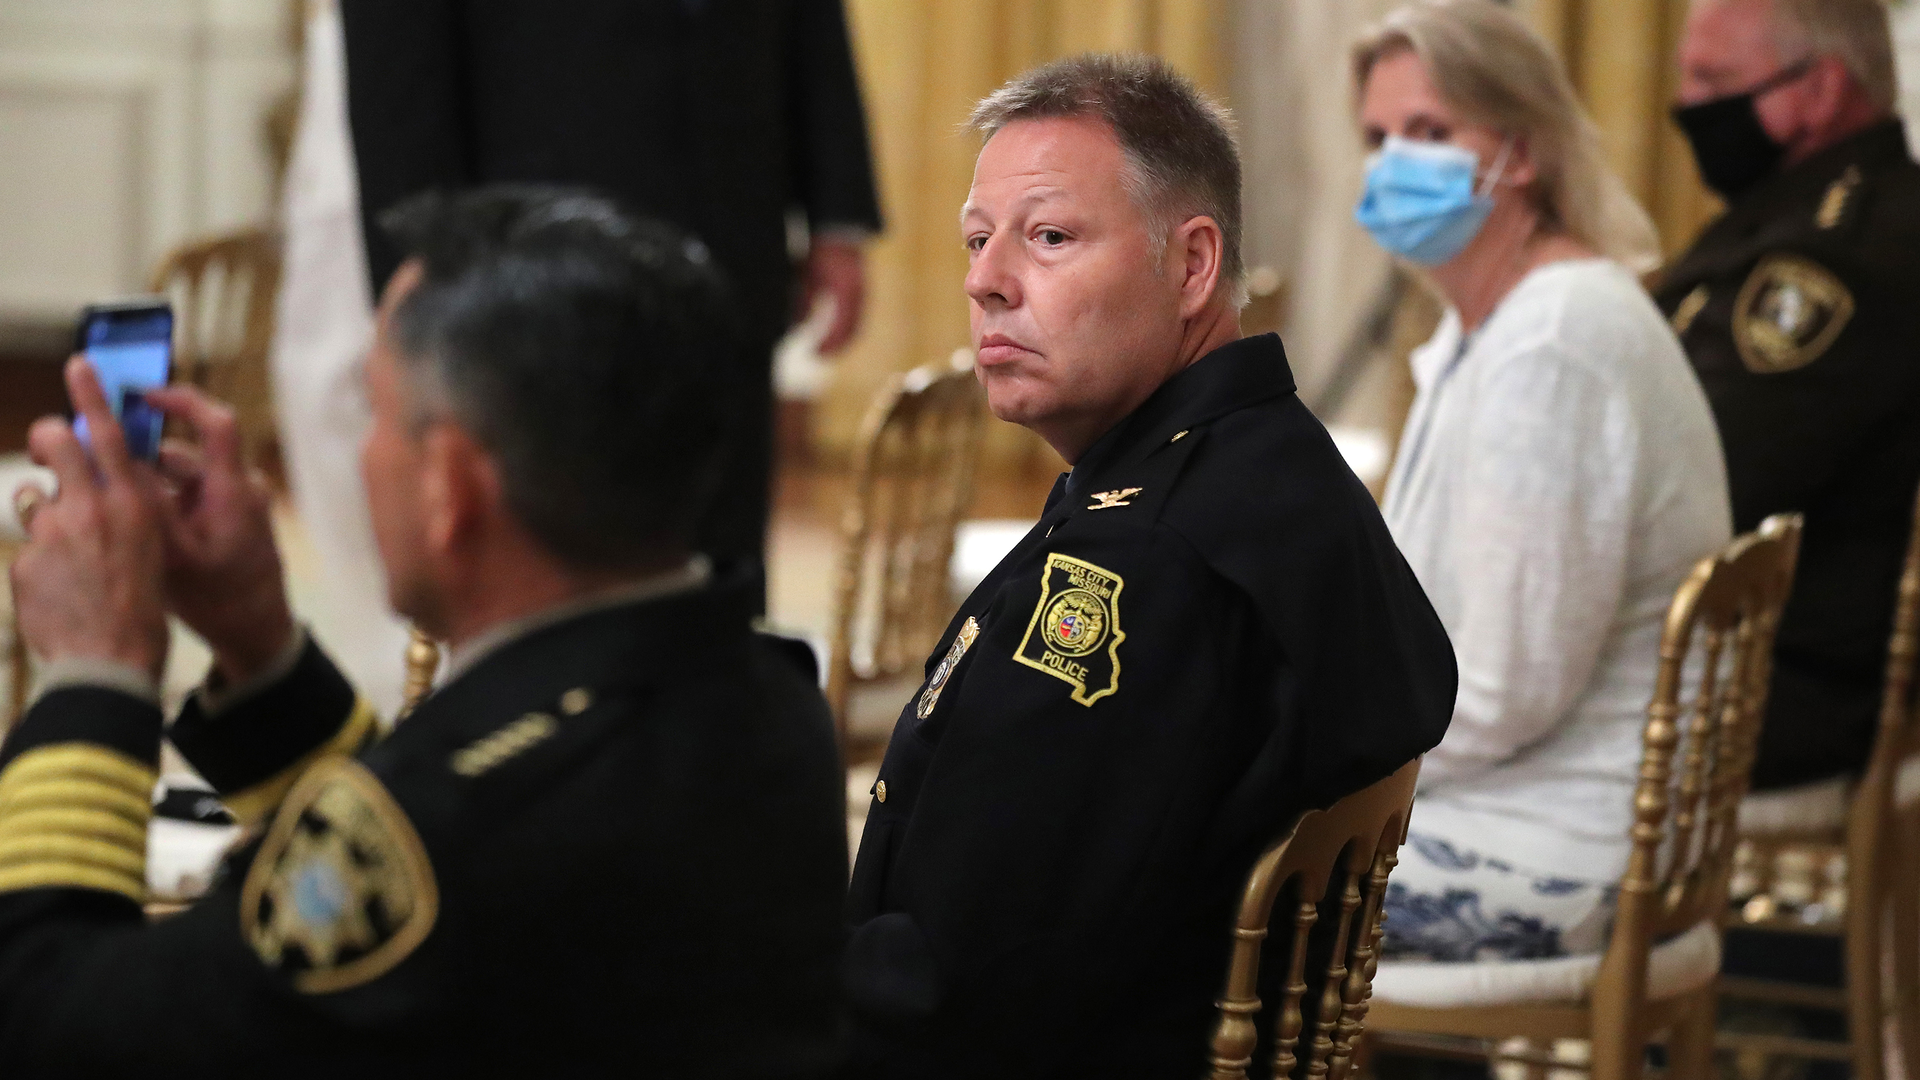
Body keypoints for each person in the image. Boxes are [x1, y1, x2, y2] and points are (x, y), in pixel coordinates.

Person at [0, 189, 846, 1075]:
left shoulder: (456, 830)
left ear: (449, 485)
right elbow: (427, 881)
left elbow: (48, 1027)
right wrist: (259, 648)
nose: (363, 455)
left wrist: (96, 668)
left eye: (374, 412)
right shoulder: (773, 701)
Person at [842, 54, 1458, 1078]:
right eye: (977, 240)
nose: (986, 280)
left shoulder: (1142, 560)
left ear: (1193, 265)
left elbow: (964, 988)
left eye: (1048, 237)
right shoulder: (1272, 456)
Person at [1354, 0, 1732, 961]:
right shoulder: (1496, 323)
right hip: (1514, 805)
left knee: (1165, 887)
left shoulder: (1552, 344)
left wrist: (1304, 759)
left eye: (1429, 131)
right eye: (1379, 138)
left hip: (1555, 844)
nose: (1394, 164)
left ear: (1520, 153)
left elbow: (1499, 693)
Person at [341, 0, 885, 607]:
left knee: (727, 567)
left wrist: (837, 213)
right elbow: (397, 73)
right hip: (531, 288)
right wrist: (420, 275)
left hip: (731, 227)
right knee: (559, 585)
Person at [1658, 0, 1920, 792]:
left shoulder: (1835, 256)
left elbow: (1702, 485)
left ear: (1822, 89)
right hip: (1744, 651)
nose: (1688, 105)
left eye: (1715, 81)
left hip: (1777, 683)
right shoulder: (1804, 211)